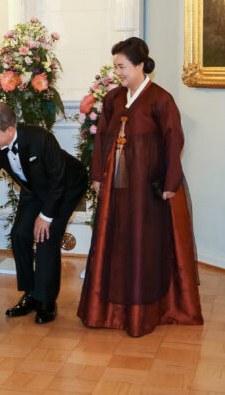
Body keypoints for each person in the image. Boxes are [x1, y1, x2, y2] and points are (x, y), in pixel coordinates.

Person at [77, 37, 203, 337]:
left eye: (122, 66)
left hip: (147, 190)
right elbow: (101, 139)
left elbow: (175, 143)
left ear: (140, 65)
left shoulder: (161, 99)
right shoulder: (113, 99)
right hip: (116, 188)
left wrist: (171, 183)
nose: (118, 72)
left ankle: (144, 311)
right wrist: (97, 175)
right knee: (116, 241)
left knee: (143, 244)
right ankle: (109, 311)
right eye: (116, 67)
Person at [0, 103, 88, 324]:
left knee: (46, 237)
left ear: (9, 130)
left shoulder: (40, 138)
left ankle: (46, 301)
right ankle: (30, 295)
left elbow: (57, 180)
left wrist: (46, 216)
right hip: (34, 187)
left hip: (66, 186)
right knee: (20, 234)